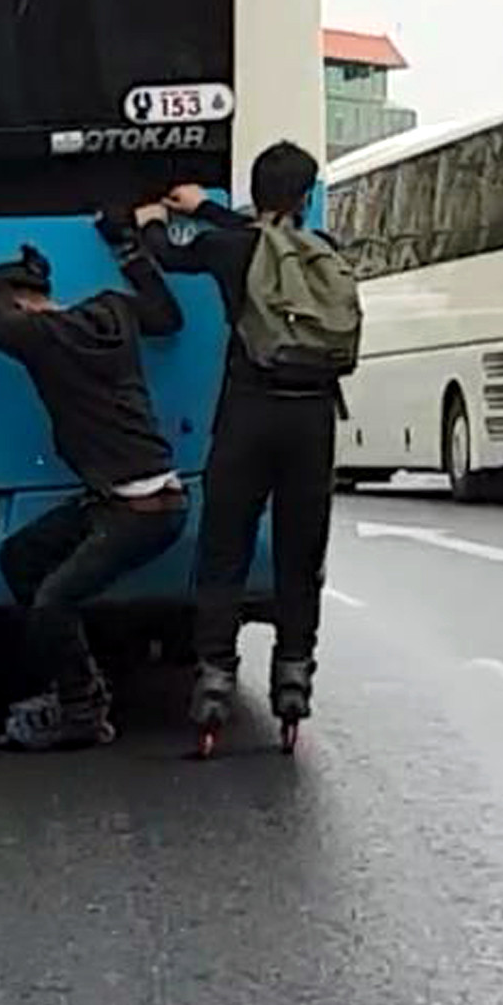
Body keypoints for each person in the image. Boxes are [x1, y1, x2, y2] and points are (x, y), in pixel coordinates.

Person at [0, 205, 187, 750]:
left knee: (53, 600)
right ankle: (71, 678)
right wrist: (128, 249)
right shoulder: (113, 308)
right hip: (138, 497)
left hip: (139, 512)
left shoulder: (37, 334)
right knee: (19, 556)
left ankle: (81, 711)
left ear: (15, 304)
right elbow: (167, 316)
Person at [145, 142, 355, 742]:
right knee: (299, 553)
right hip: (313, 420)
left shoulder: (228, 248)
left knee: (225, 549)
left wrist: (157, 220)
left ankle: (214, 675)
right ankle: (294, 676)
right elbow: (270, 235)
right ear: (307, 197)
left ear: (255, 194)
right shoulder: (325, 253)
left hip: (248, 416)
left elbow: (165, 254)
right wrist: (213, 210)